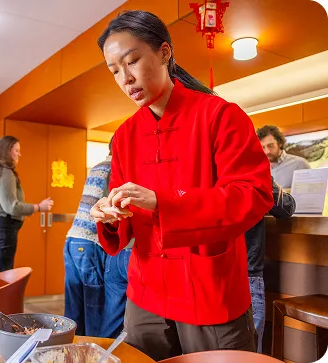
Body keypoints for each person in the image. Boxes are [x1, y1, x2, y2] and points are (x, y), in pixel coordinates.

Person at [89, 11, 273, 360]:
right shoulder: (125, 135)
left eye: (132, 61)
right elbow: (125, 209)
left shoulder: (220, 115)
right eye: (114, 71)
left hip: (208, 287)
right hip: (146, 292)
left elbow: (254, 193)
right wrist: (111, 215)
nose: (125, 78)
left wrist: (164, 202)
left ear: (164, 52)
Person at [64, 138, 132, 338]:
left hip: (73, 240)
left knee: (74, 308)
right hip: (90, 243)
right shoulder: (114, 168)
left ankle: (69, 351)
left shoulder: (97, 166)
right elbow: (109, 208)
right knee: (94, 306)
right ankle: (93, 353)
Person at [0, 136, 53, 275]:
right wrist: (38, 207)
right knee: (1, 275)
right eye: (17, 150)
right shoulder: (5, 172)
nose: (20, 154)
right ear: (7, 151)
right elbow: (11, 207)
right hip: (1, 226)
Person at [245, 177, 295, 353]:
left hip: (203, 272)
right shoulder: (249, 168)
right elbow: (286, 207)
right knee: (249, 350)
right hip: (247, 274)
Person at [257, 125, 310, 189]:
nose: (267, 151)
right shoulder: (256, 168)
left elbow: (312, 194)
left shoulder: (300, 164)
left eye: (270, 146)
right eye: (263, 147)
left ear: (280, 143)